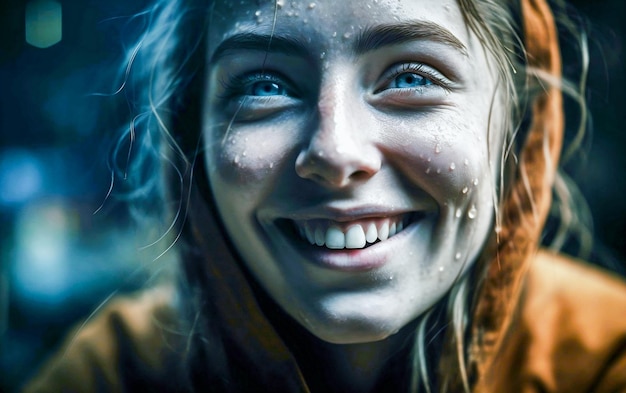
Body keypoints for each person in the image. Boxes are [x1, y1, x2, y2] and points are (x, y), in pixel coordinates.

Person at [25, 0, 626, 392]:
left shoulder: (605, 358)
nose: (336, 153)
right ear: (194, 139)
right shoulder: (113, 372)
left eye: (412, 77)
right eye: (263, 86)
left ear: (517, 127)